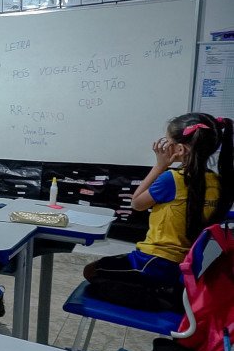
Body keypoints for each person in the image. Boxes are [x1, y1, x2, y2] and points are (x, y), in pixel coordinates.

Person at [83, 113, 233, 311]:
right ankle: (165, 291)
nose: (163, 146)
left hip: (154, 262)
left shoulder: (172, 179)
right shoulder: (218, 183)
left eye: (167, 142)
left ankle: (158, 297)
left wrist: (161, 165)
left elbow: (137, 203)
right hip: (184, 267)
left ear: (179, 149)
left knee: (91, 272)